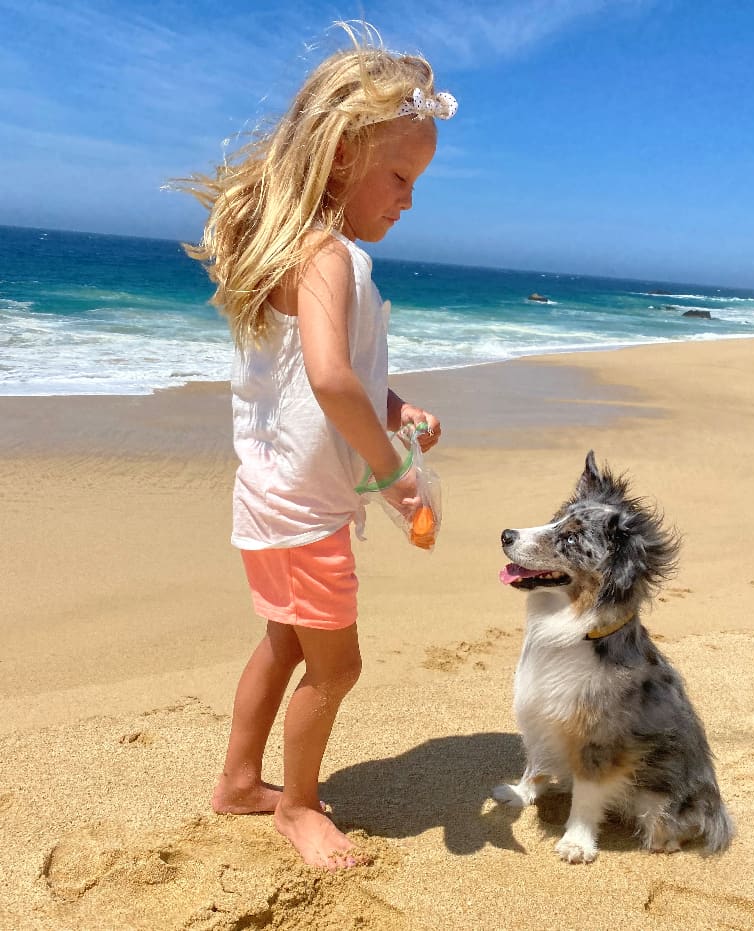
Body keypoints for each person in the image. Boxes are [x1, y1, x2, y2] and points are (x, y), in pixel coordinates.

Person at [177, 27, 457, 870]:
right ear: (341, 156)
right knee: (337, 670)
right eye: (400, 176)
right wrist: (395, 472)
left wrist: (397, 407)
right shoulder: (330, 255)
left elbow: (319, 377)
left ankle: (237, 778)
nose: (408, 199)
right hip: (306, 514)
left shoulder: (296, 251)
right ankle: (297, 805)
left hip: (267, 501)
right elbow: (334, 380)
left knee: (287, 644)